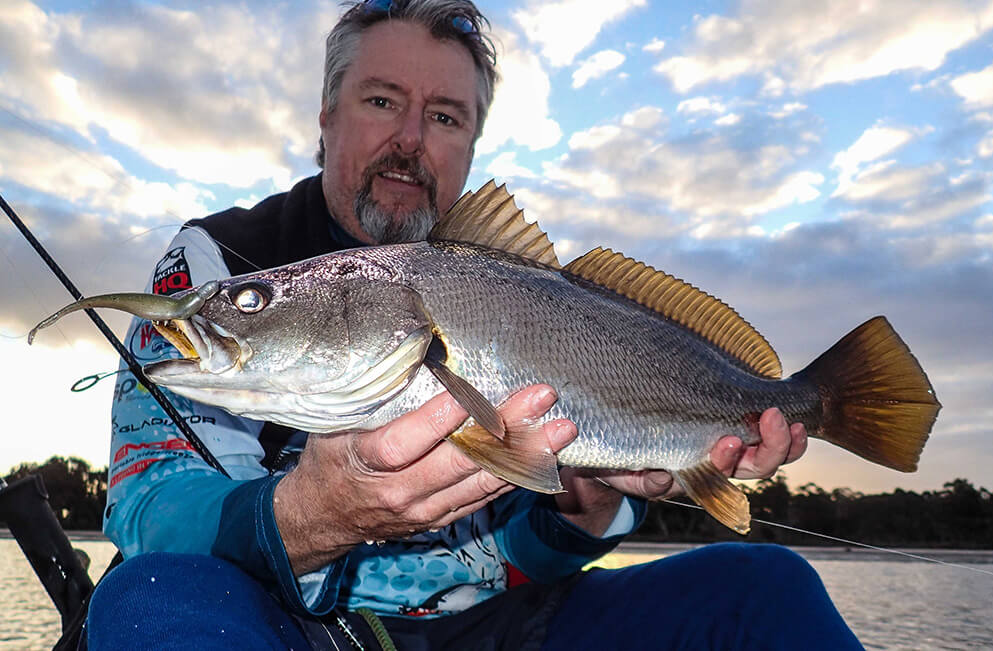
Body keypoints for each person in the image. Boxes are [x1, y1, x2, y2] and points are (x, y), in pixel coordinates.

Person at [88, 1, 863, 649]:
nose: (410, 139)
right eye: (382, 100)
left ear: (470, 144)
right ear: (327, 115)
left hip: (486, 625)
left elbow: (515, 556)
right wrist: (309, 516)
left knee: (766, 588)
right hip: (282, 620)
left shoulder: (518, 291)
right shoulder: (218, 263)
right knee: (146, 597)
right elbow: (150, 508)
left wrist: (584, 502)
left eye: (446, 116)